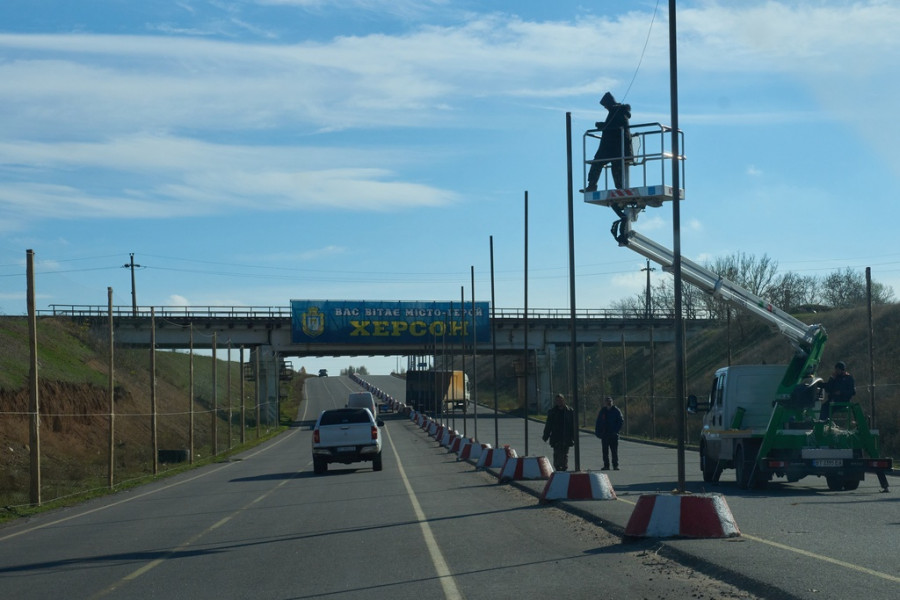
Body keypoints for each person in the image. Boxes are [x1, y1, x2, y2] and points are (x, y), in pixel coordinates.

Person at [580, 91, 633, 195]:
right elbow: (612, 125)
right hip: (612, 146)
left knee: (612, 166)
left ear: (609, 103)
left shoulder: (618, 111)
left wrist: (602, 126)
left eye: (605, 105)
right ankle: (593, 185)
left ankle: (618, 188)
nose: (605, 108)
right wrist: (603, 125)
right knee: (601, 164)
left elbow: (615, 126)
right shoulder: (617, 111)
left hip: (616, 146)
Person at [542, 394, 576, 471]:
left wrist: (574, 437)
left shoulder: (569, 411)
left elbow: (573, 425)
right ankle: (557, 467)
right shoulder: (552, 412)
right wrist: (546, 435)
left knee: (565, 453)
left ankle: (564, 467)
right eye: (557, 400)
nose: (559, 402)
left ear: (564, 400)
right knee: (557, 452)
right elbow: (548, 425)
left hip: (566, 436)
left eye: (561, 400)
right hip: (556, 436)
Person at [594, 396, 624, 470]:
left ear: (612, 402)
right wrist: (598, 432)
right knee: (605, 451)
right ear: (605, 403)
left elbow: (620, 421)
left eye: (610, 401)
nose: (609, 402)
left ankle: (615, 465)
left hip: (613, 435)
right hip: (605, 435)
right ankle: (606, 465)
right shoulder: (603, 411)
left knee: (614, 451)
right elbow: (598, 422)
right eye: (607, 401)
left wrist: (616, 431)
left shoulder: (616, 410)